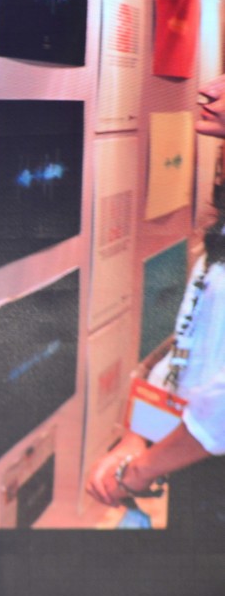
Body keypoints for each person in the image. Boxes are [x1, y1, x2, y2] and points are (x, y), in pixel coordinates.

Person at [85, 73, 225, 529]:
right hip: (192, 458)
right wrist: (138, 437)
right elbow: (191, 345)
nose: (210, 86)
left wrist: (137, 471)